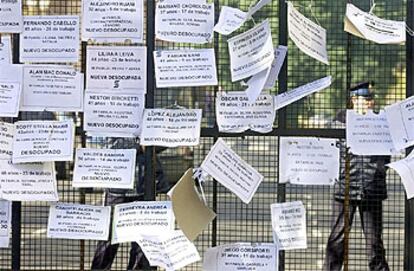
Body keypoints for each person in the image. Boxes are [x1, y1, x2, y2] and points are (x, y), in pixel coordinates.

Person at [324, 81, 390, 271]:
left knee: (374, 241)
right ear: (354, 100)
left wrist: (380, 170)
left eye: (372, 98)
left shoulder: (380, 122)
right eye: (366, 98)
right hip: (345, 186)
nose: (371, 102)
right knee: (337, 238)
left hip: (372, 186)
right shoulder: (340, 122)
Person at [91, 138, 170, 271]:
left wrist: (151, 144)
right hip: (117, 186)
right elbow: (105, 143)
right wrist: (140, 145)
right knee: (109, 238)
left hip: (144, 185)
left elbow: (165, 141)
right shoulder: (111, 120)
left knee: (142, 240)